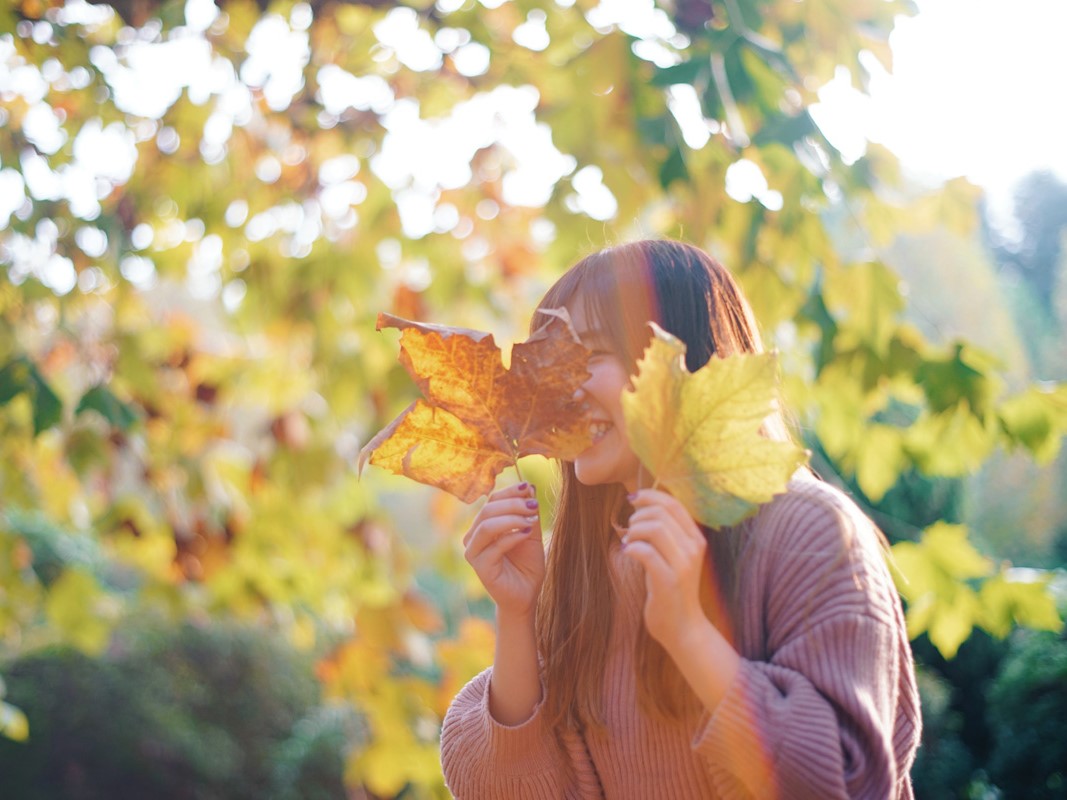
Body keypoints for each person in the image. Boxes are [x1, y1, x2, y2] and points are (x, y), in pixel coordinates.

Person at [440, 239, 921, 799]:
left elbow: (843, 778)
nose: (561, 391)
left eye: (591, 355)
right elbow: (510, 790)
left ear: (684, 361)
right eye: (550, 363)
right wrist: (517, 615)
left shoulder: (808, 531)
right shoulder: (584, 568)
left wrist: (688, 632)